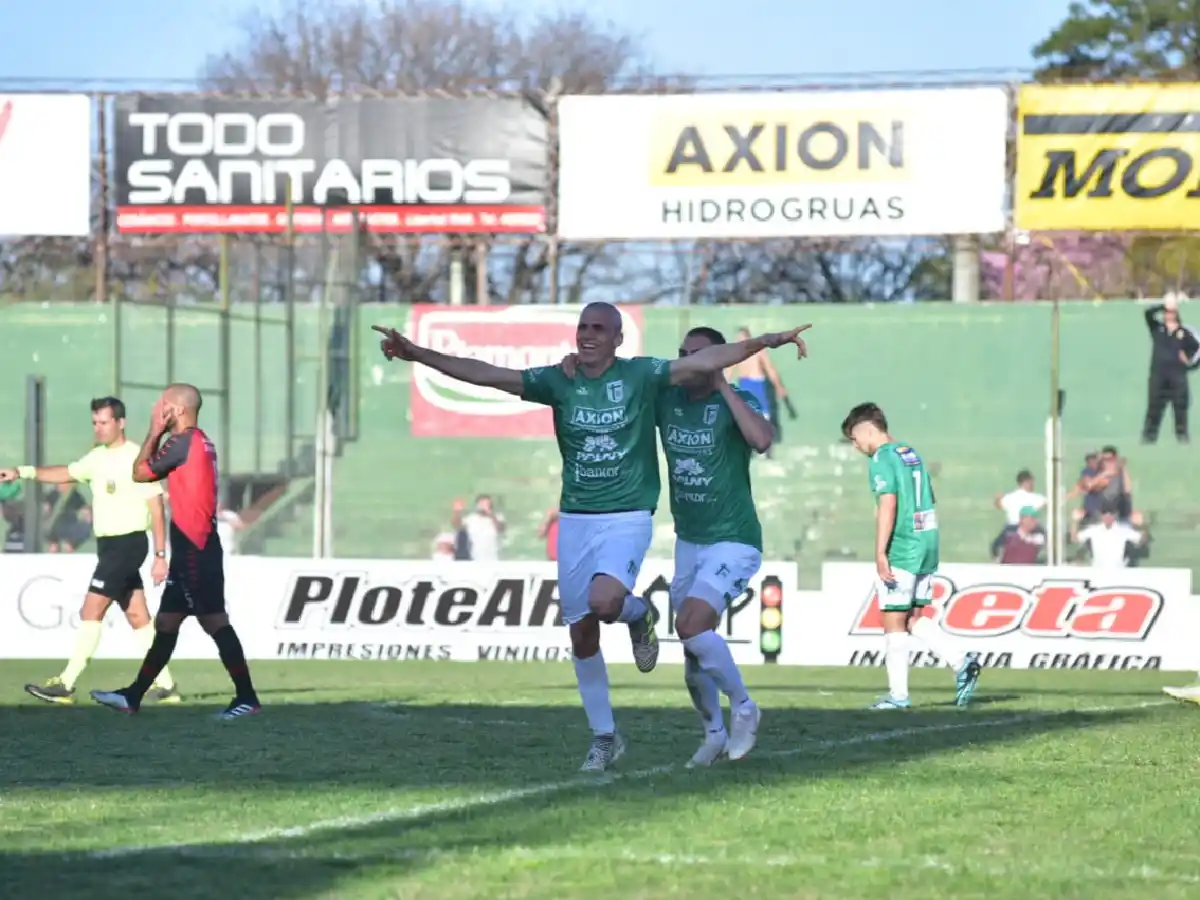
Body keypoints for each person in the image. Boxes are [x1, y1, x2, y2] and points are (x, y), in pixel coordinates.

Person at [373, 304, 809, 771]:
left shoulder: (643, 378)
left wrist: (766, 341)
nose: (588, 334)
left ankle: (676, 648)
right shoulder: (574, 382)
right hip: (584, 520)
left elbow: (743, 413)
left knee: (627, 608)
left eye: (599, 328)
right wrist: (418, 354)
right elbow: (487, 375)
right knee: (584, 633)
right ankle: (611, 735)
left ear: (618, 338)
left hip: (638, 518)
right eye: (583, 326)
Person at [89, 384, 261, 720]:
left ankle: (247, 697)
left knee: (214, 620)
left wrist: (154, 431)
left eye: (162, 405)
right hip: (191, 548)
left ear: (178, 410)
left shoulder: (182, 442)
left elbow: (139, 472)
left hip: (196, 548)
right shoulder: (199, 440)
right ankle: (133, 696)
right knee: (167, 622)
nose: (157, 410)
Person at [646, 326, 776, 767]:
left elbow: (762, 440)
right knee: (691, 648)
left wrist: (722, 384)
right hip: (689, 539)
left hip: (733, 539)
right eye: (683, 353)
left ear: (720, 359)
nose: (689, 361)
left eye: (700, 354)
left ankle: (744, 707)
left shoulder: (737, 398)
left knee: (691, 622)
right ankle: (713, 734)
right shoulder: (667, 399)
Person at [0, 397, 180, 705]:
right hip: (109, 546)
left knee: (91, 609)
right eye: (95, 422)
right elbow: (67, 472)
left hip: (128, 543)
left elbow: (156, 506)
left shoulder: (137, 457)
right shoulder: (97, 457)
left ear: (120, 423)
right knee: (137, 615)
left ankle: (66, 684)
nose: (98, 428)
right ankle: (165, 685)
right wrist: (22, 471)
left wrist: (161, 556)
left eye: (104, 422)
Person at [841, 402, 981, 710]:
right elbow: (929, 496)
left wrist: (880, 551)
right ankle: (962, 662)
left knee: (892, 619)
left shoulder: (881, 458)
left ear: (867, 429)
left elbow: (888, 503)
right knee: (912, 618)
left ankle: (898, 696)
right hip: (927, 541)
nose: (856, 446)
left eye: (854, 438)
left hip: (903, 545)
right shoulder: (910, 453)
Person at [1142, 293, 1200, 444]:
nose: (1169, 315)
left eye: (1172, 312)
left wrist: (1189, 362)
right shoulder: (1157, 329)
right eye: (1167, 312)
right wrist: (1164, 306)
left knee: (1180, 410)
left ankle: (1182, 439)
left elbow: (1197, 350)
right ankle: (1148, 439)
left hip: (1178, 378)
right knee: (1154, 409)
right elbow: (1147, 313)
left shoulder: (1185, 332)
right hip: (1158, 377)